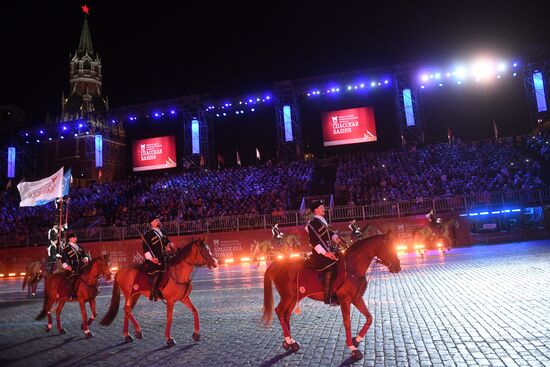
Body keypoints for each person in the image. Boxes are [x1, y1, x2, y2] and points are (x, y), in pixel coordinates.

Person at [305, 200, 341, 306]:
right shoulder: (313, 223)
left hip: (329, 248)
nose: (323, 209)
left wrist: (335, 237)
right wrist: (325, 253)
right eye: (321, 207)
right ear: (316, 210)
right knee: (329, 268)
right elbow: (314, 241)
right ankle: (327, 297)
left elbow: (328, 232)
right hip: (320, 254)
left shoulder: (322, 220)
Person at [142, 214, 175, 301]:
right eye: (156, 220)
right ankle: (153, 291)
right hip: (155, 258)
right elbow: (145, 248)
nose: (158, 222)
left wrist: (169, 244)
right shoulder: (148, 235)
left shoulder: (163, 232)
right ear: (152, 223)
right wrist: (151, 258)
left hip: (165, 256)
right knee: (158, 271)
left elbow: (167, 241)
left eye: (158, 220)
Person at [61, 232, 90, 299]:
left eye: (76, 237)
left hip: (81, 266)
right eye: (74, 238)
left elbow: (85, 254)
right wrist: (66, 266)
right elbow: (63, 259)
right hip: (72, 267)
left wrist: (86, 258)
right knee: (73, 280)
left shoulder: (79, 247)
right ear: (70, 239)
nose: (75, 239)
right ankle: (72, 294)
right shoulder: (66, 248)